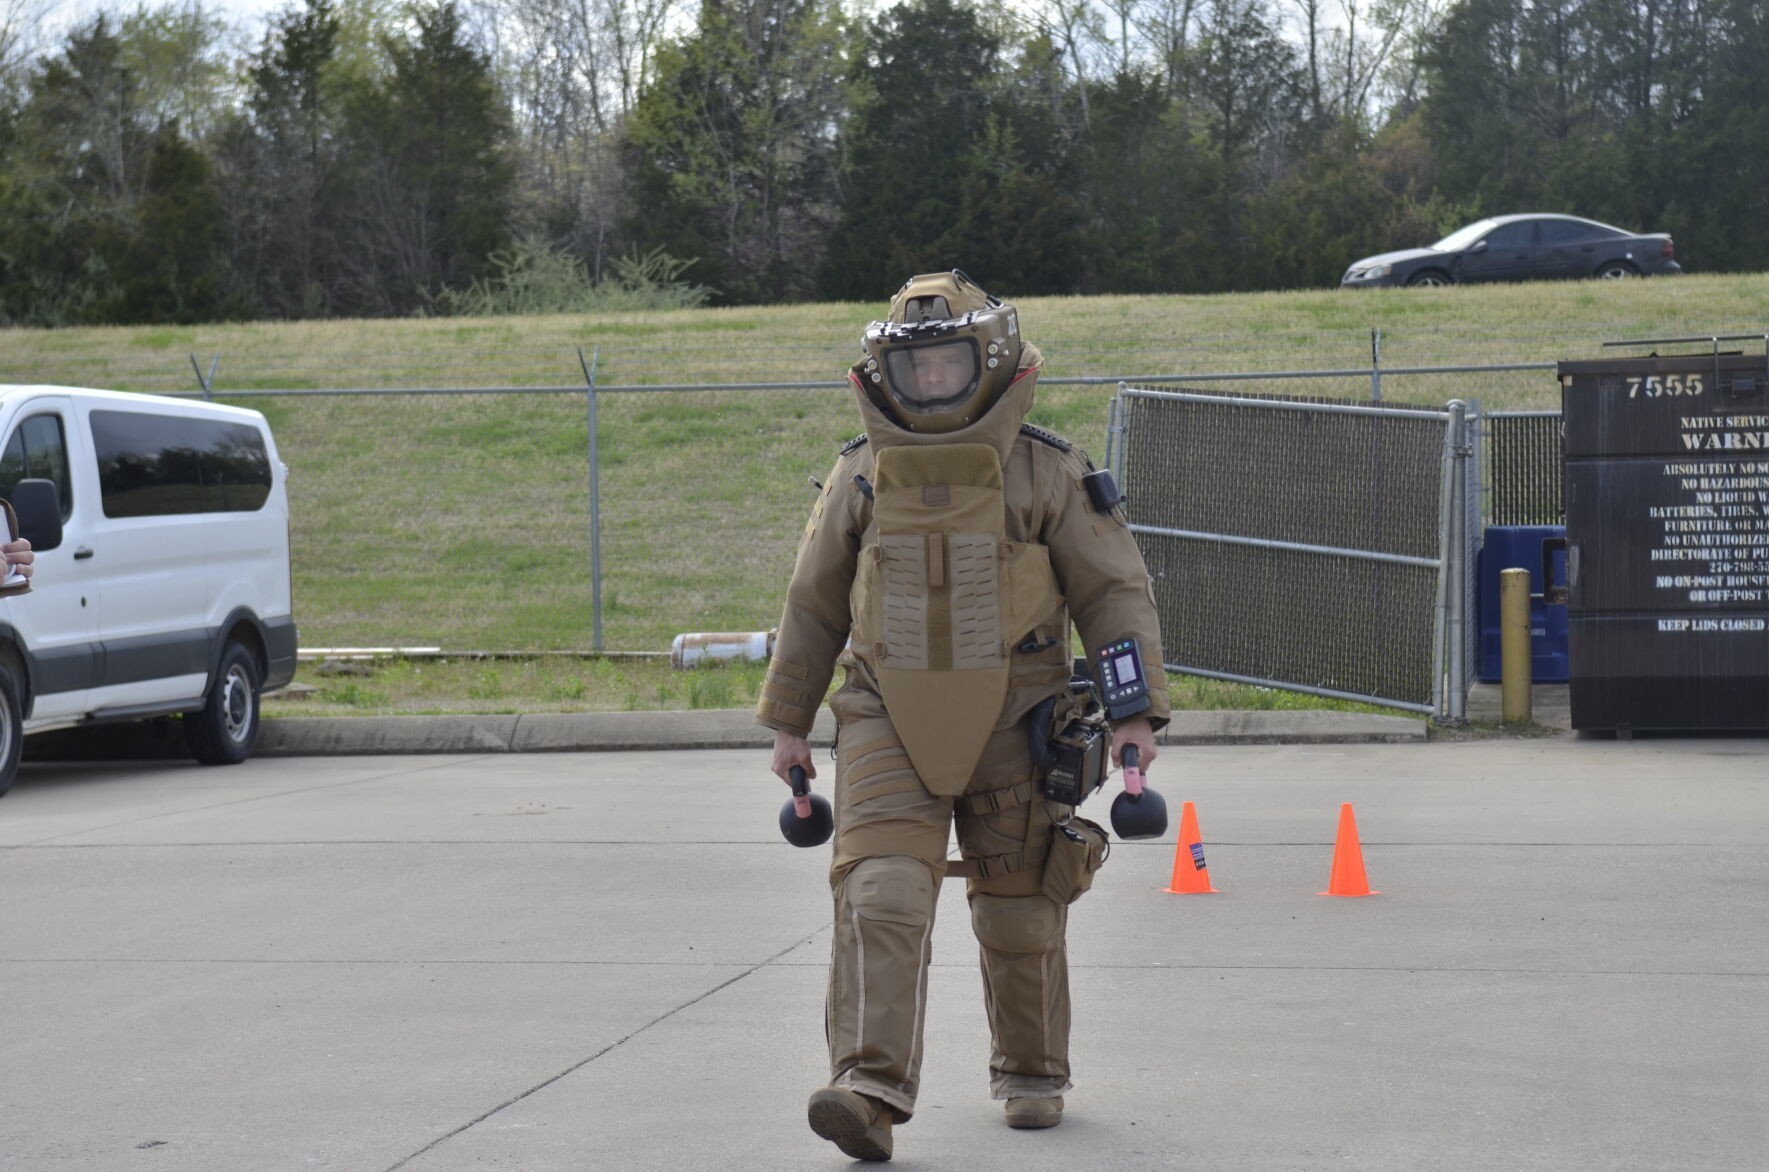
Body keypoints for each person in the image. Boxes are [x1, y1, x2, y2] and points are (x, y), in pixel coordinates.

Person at [756, 271, 1170, 1161]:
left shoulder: (1047, 470)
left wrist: (1134, 714)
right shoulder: (860, 475)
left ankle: (1031, 1073)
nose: (933, 380)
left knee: (1020, 912)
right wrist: (790, 722)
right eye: (918, 368)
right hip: (883, 714)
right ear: (888, 373)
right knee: (879, 893)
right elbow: (813, 603)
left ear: (987, 360)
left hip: (1021, 717)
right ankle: (867, 1089)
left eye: (948, 363)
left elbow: (1113, 595)